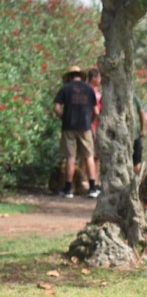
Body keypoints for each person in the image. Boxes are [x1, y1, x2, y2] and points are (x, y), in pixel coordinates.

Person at [53, 65, 100, 198]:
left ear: (69, 76)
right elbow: (96, 111)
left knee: (70, 158)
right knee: (89, 156)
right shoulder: (89, 89)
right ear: (80, 75)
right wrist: (90, 121)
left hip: (69, 127)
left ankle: (68, 190)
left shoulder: (65, 88)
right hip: (85, 126)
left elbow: (56, 108)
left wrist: (64, 118)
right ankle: (92, 188)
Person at [132, 93, 146, 174]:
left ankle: (135, 180)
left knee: (136, 159)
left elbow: (141, 112)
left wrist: (142, 129)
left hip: (135, 135)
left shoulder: (134, 97)